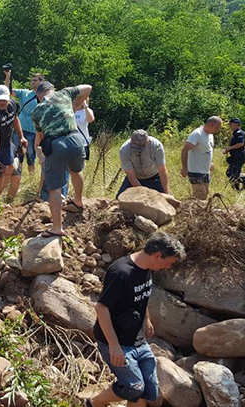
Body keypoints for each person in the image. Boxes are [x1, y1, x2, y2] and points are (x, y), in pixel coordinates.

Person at [86, 232, 186, 407]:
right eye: (168, 263)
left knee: (148, 389)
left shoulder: (147, 269)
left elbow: (140, 297)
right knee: (133, 387)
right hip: (116, 342)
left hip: (138, 339)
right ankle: (93, 403)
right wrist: (114, 345)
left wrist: (146, 320)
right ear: (157, 256)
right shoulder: (121, 272)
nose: (168, 267)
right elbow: (101, 308)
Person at [31, 81, 92, 238]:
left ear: (39, 95)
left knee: (55, 188)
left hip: (56, 143)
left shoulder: (36, 111)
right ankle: (78, 201)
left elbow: (41, 135)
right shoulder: (64, 93)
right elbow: (88, 88)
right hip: (76, 138)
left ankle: (57, 227)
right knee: (76, 170)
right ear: (53, 90)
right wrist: (76, 104)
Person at [5, 70, 46, 175]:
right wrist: (8, 77)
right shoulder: (24, 93)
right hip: (19, 130)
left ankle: (31, 179)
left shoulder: (44, 98)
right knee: (16, 155)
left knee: (31, 157)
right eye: (32, 80)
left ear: (41, 82)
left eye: (35, 80)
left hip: (33, 131)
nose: (32, 82)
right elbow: (8, 91)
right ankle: (15, 176)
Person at [117, 130, 171, 198]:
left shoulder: (156, 146)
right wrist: (145, 195)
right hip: (135, 178)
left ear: (147, 141)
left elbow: (162, 171)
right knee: (119, 198)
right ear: (131, 141)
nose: (139, 150)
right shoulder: (124, 150)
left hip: (154, 178)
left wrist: (167, 193)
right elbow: (131, 176)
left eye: (141, 146)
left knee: (168, 199)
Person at [181, 116, 221, 200]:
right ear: (210, 124)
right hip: (195, 171)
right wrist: (184, 167)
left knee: (205, 193)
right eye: (217, 127)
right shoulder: (197, 134)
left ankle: (190, 206)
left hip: (206, 171)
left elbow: (208, 150)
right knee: (200, 195)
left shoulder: (210, 135)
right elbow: (185, 150)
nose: (218, 130)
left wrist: (210, 162)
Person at [224, 118, 245, 190]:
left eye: (231, 124)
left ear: (237, 124)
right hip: (235, 157)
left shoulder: (239, 133)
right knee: (229, 173)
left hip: (238, 157)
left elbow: (240, 143)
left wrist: (230, 148)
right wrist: (228, 150)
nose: (230, 126)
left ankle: (237, 190)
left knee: (233, 175)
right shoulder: (235, 133)